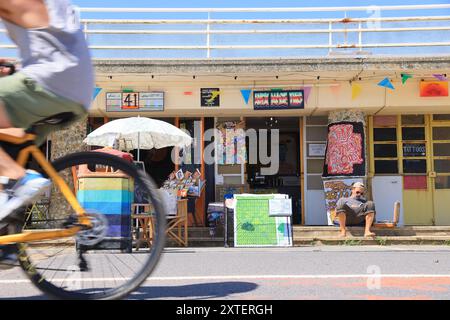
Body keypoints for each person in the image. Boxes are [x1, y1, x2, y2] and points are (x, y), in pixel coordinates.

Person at [0, 0, 94, 269]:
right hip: (72, 89)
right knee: (9, 147)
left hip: (50, 81)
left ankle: (20, 179)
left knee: (12, 171)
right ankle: (6, 241)